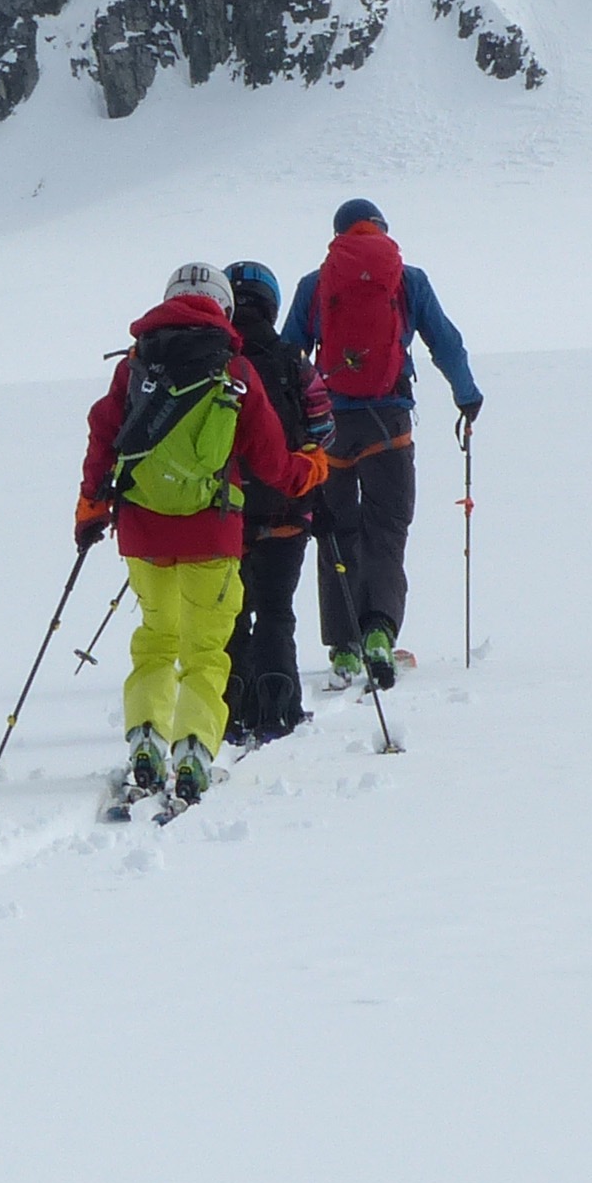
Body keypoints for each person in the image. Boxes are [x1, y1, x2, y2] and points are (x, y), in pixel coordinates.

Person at [76, 260, 330, 808]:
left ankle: (146, 737)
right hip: (213, 535)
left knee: (155, 641)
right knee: (207, 651)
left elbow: (104, 433)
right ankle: (193, 750)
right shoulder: (235, 371)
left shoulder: (136, 365)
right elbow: (269, 459)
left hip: (143, 534)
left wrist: (90, 506)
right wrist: (308, 470)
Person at [281, 197, 481, 683]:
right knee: (386, 533)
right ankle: (379, 633)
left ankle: (344, 647)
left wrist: (289, 424)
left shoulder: (315, 285)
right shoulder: (408, 280)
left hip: (330, 429)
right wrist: (467, 395)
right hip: (390, 425)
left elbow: (289, 357)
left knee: (333, 532)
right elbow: (445, 341)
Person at [220, 260, 326, 748]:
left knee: (232, 614)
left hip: (226, 516)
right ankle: (279, 703)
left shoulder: (217, 362)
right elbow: (323, 424)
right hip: (287, 508)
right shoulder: (292, 359)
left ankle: (230, 705)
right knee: (277, 609)